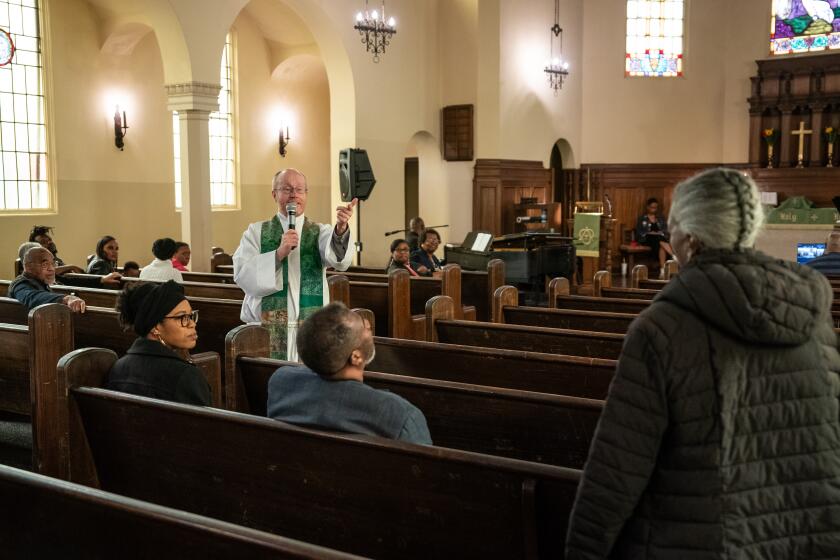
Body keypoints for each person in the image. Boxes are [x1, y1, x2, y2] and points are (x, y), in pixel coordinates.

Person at [565, 168, 840, 559]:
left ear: (689, 237)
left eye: (673, 224)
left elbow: (617, 468)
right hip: (801, 534)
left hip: (697, 539)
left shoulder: (662, 327)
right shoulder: (812, 315)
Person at [233, 168, 356, 361]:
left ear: (306, 195)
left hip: (310, 331)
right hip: (267, 332)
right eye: (287, 189)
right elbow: (243, 276)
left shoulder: (320, 232)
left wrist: (340, 229)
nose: (294, 194)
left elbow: (339, 261)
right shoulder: (255, 232)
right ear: (274, 194)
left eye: (299, 189)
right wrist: (278, 254)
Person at [267, 302, 432, 445]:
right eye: (365, 329)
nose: (368, 325)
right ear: (356, 356)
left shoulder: (282, 383)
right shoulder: (401, 416)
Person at [106, 280, 210, 406]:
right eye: (181, 317)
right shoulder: (186, 376)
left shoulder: (117, 368)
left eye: (191, 316)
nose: (192, 324)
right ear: (155, 327)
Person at [9, 246, 85, 313]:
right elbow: (32, 297)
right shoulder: (20, 284)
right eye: (45, 264)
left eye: (53, 264)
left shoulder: (40, 280)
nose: (51, 269)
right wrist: (66, 299)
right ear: (28, 267)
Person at [635, 197, 674, 277]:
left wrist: (659, 233)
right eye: (652, 207)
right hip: (646, 239)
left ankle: (662, 271)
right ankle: (675, 257)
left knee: (660, 243)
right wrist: (650, 232)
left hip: (659, 240)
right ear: (648, 207)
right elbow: (639, 232)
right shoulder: (642, 218)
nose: (654, 209)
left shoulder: (660, 218)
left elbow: (665, 230)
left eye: (656, 207)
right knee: (659, 240)